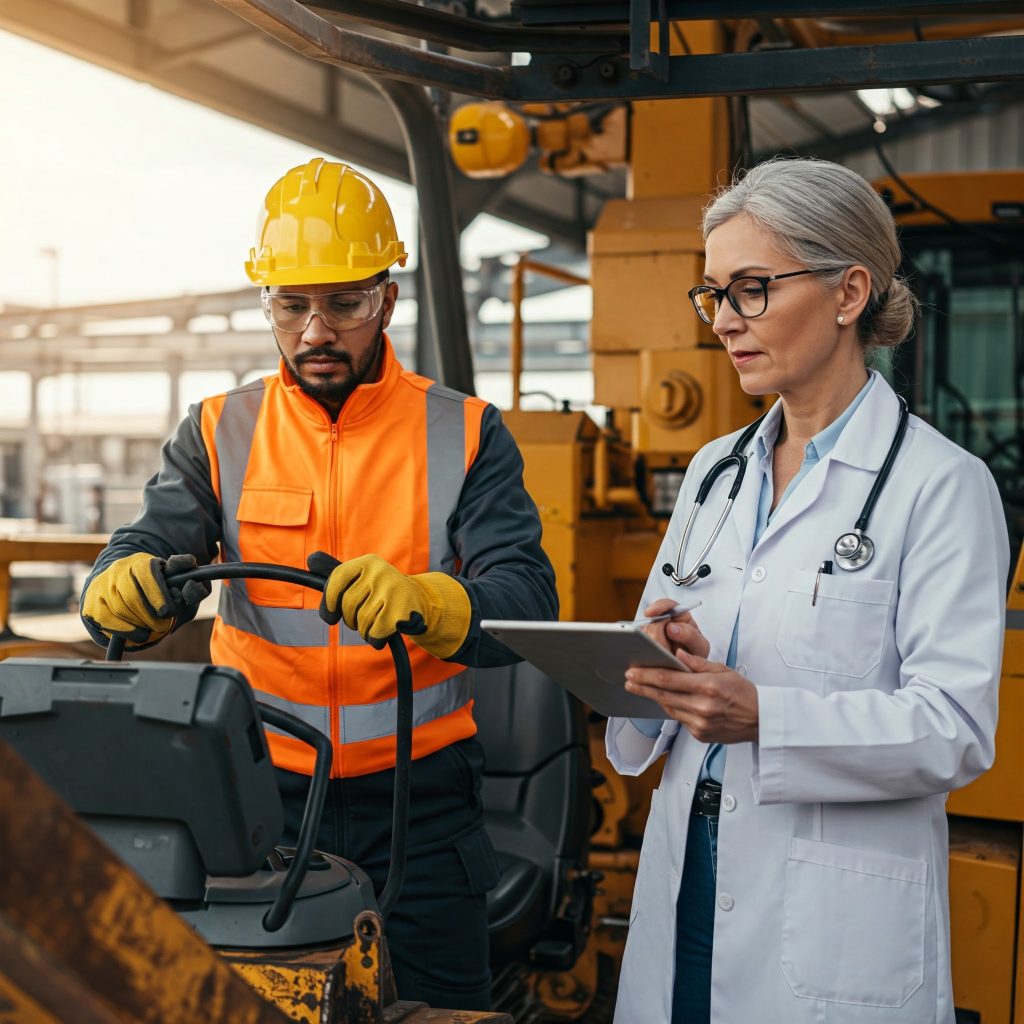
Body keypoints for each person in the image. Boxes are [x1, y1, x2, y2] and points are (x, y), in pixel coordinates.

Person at [80, 157, 558, 1010]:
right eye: (291, 305)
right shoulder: (218, 429)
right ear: (267, 305)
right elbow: (151, 546)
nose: (315, 332)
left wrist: (430, 601)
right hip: (255, 792)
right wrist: (121, 583)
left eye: (344, 304)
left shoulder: (467, 432)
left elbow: (526, 598)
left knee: (441, 1011)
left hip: (421, 801)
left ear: (387, 302)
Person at [606, 157, 1008, 1024]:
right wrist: (661, 665)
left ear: (849, 292)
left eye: (751, 289)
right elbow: (658, 667)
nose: (724, 319)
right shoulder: (715, 473)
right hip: (690, 864)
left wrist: (766, 716)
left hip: (832, 908)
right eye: (713, 294)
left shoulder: (941, 486)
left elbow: (955, 729)